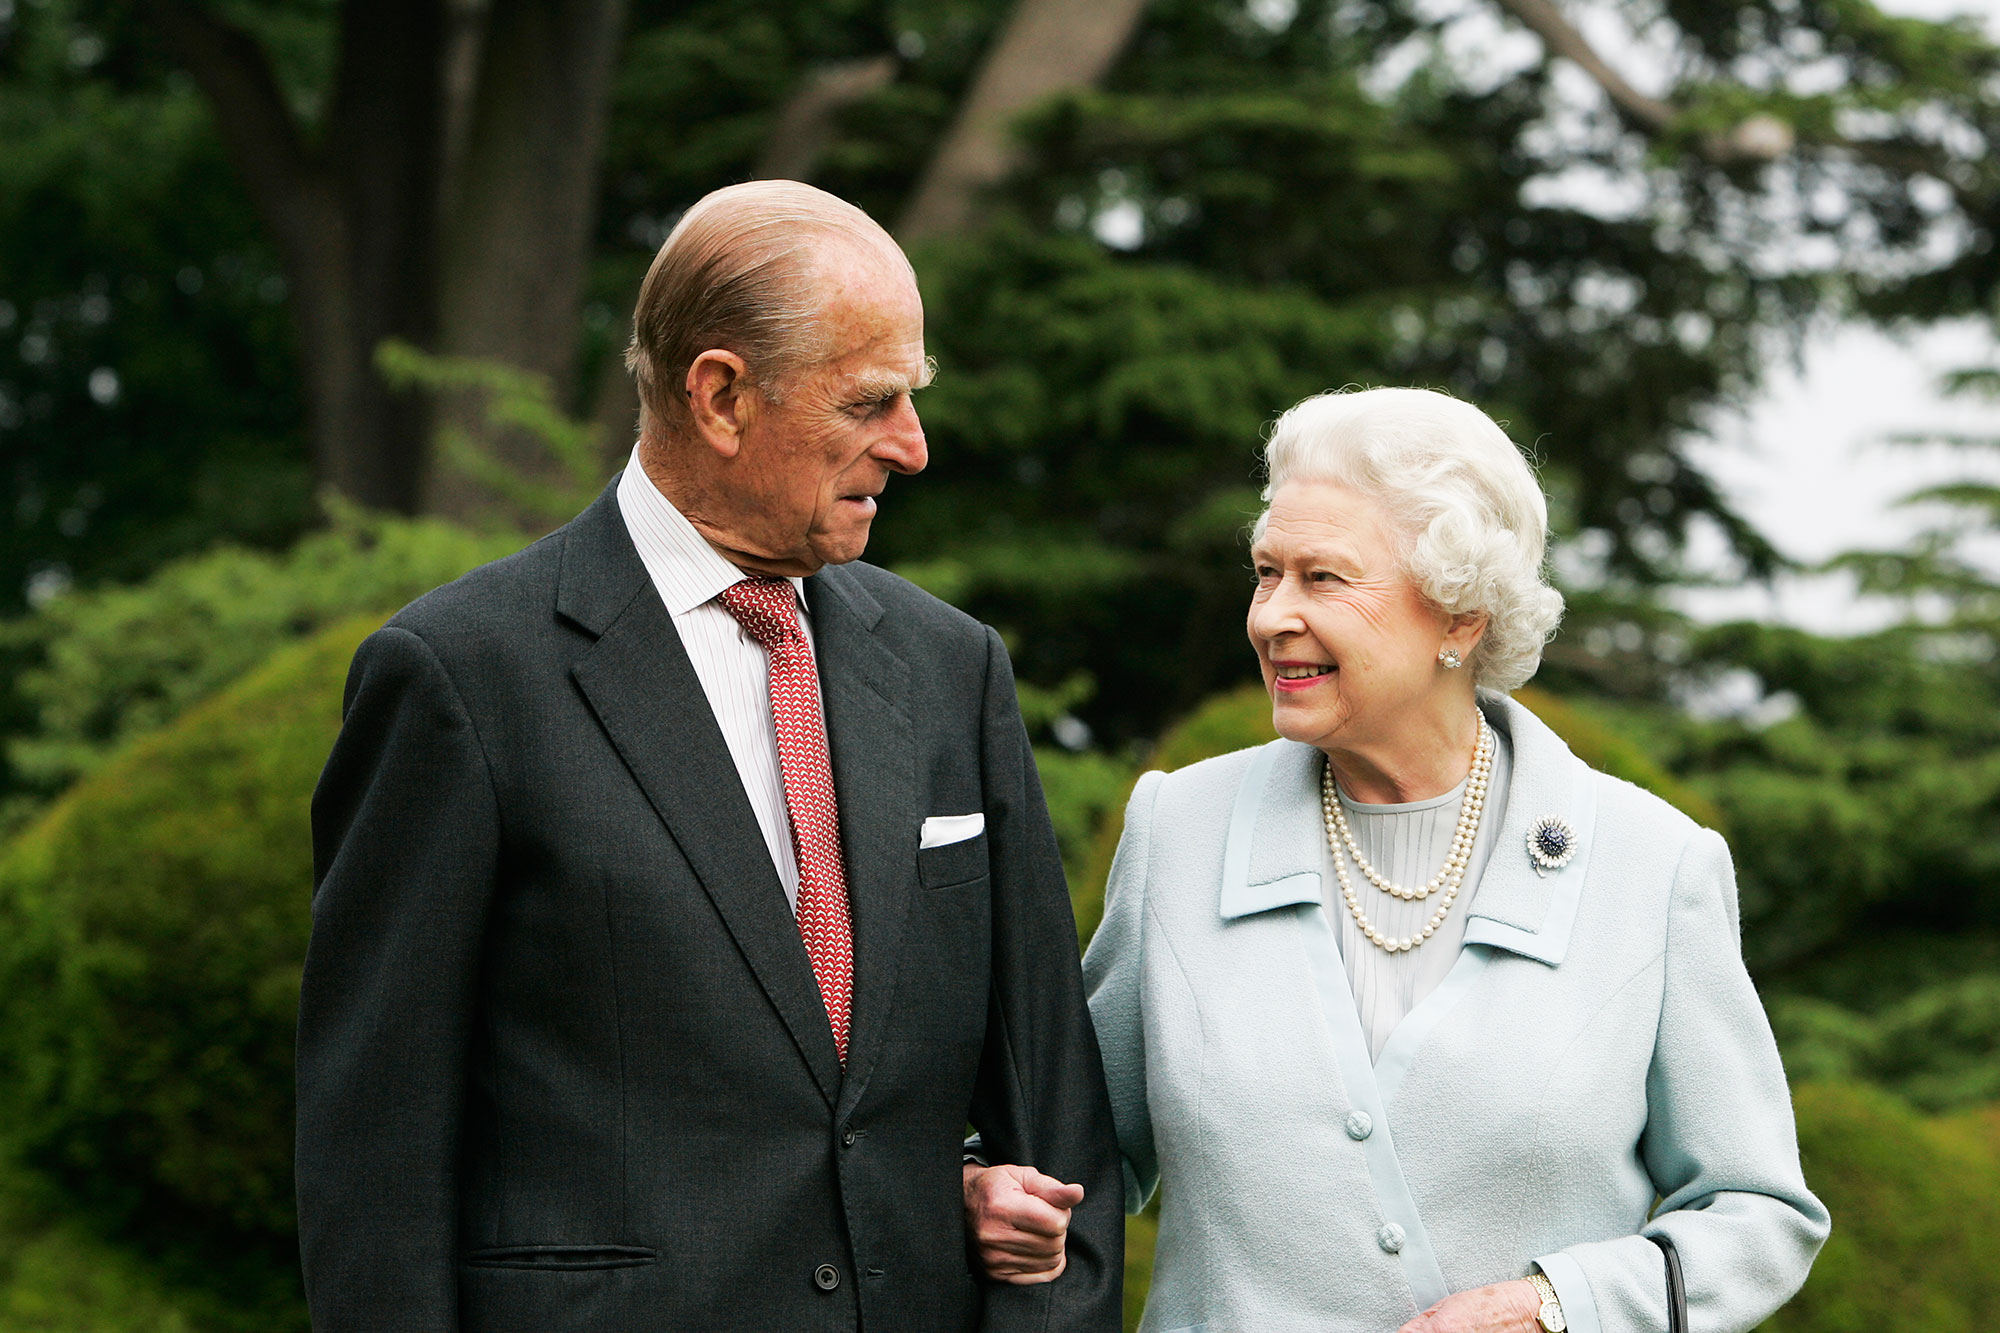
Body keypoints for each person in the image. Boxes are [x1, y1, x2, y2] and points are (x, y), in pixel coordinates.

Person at [297, 180, 1122, 1332]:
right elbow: (371, 1156)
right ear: (721, 395)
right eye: (872, 400)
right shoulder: (458, 677)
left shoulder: (951, 669)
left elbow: (1057, 1119)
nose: (912, 446)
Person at [969, 387, 1829, 1331]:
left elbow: (1759, 1216)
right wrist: (988, 1185)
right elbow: (1073, 1144)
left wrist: (1556, 1307)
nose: (1270, 617)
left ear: (1460, 618)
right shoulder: (1181, 826)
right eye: (1266, 573)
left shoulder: (1652, 866)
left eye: (1325, 578)